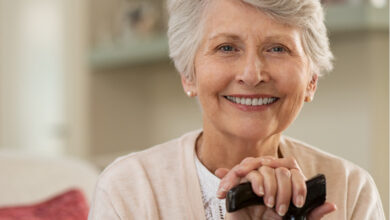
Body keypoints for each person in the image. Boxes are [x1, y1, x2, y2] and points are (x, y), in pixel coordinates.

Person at [88, 0, 385, 219]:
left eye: (278, 48)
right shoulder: (128, 189)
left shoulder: (351, 189)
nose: (253, 74)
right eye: (227, 48)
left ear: (311, 80)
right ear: (188, 75)